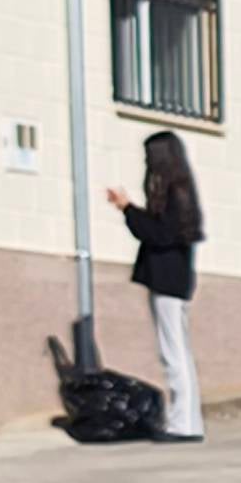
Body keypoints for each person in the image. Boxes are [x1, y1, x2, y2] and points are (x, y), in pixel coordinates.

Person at [105, 131, 206, 444]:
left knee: (172, 352)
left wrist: (127, 209)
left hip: (166, 282)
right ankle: (189, 422)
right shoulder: (184, 192)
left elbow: (157, 234)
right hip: (177, 282)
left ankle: (183, 425)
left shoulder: (173, 195)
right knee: (179, 352)